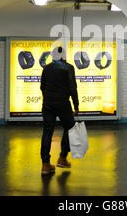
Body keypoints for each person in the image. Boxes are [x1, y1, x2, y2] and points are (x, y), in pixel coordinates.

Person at [40, 46, 79, 176]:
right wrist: (76, 105)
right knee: (70, 128)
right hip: (63, 103)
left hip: (48, 104)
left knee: (47, 132)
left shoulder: (46, 68)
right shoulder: (69, 68)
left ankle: (45, 165)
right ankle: (62, 158)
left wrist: (48, 99)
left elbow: (42, 87)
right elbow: (73, 88)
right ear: (63, 55)